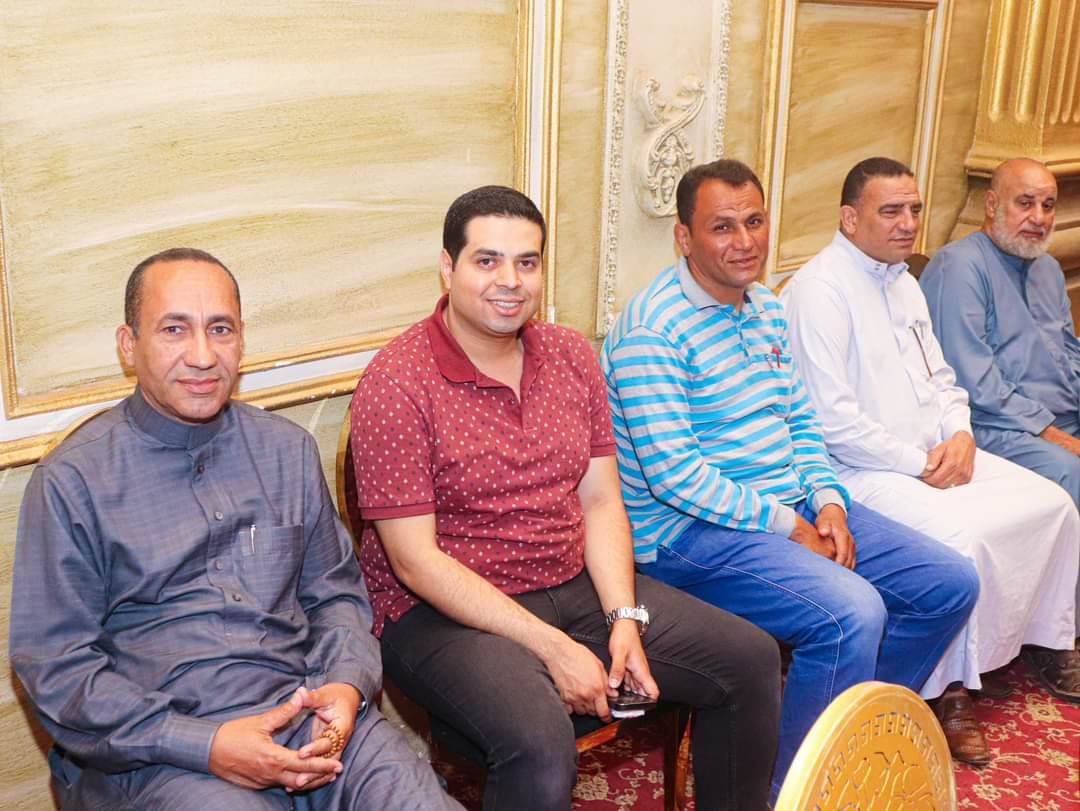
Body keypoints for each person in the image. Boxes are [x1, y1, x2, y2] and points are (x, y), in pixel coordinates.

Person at [350, 186, 781, 811]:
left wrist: (624, 618)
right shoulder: (397, 382)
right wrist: (555, 649)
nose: (510, 281)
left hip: (566, 579)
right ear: (448, 267)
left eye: (526, 262)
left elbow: (601, 501)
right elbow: (415, 562)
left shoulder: (571, 355)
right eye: (487, 260)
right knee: (539, 740)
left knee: (749, 659)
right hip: (441, 610)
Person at [9, 248, 461, 811]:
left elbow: (336, 597)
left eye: (220, 329)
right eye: (174, 329)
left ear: (241, 340)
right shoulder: (72, 482)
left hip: (310, 719)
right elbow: (59, 669)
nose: (203, 356)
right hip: (163, 759)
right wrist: (205, 745)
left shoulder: (287, 451)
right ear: (129, 345)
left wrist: (345, 686)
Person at [600, 158, 978, 797]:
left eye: (754, 221)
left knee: (949, 584)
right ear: (684, 237)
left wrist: (828, 503)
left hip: (788, 503)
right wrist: (790, 527)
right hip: (687, 533)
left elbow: (802, 422)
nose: (744, 241)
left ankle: (841, 748)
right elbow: (676, 477)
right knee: (850, 613)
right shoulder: (651, 332)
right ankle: (796, 795)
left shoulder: (767, 309)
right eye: (722, 226)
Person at [781, 156, 1080, 765]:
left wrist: (961, 434)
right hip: (859, 471)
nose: (908, 223)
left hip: (937, 452)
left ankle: (1039, 643)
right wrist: (918, 462)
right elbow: (832, 420)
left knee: (1053, 504)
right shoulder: (818, 291)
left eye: (914, 210)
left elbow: (944, 378)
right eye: (891, 211)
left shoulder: (904, 282)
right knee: (960, 544)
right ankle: (948, 693)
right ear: (849, 218)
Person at [919, 158, 1080, 507]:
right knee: (1073, 472)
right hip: (998, 426)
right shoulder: (959, 267)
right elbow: (975, 384)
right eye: (1025, 203)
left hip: (1062, 418)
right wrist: (1054, 435)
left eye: (1048, 205)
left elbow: (1070, 354)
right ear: (992, 205)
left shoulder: (1048, 268)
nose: (1039, 218)